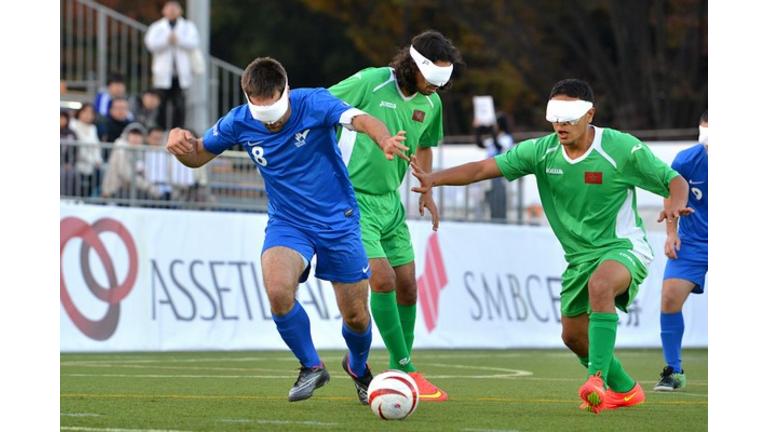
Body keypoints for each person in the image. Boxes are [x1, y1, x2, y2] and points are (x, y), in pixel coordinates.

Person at [410, 78, 693, 414]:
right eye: (554, 116)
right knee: (573, 337)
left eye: (569, 116)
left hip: (623, 247)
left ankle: (597, 379)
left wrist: (675, 202)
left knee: (600, 285)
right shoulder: (541, 151)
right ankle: (627, 390)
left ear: (590, 115)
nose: (560, 124)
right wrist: (433, 179)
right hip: (579, 258)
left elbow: (673, 180)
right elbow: (484, 167)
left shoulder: (620, 148)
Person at [165, 57, 410, 404]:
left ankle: (357, 366)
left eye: (276, 110)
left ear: (286, 90)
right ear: (248, 98)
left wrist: (384, 139)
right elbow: (197, 155)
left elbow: (360, 119)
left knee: (356, 316)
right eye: (261, 113)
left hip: (338, 221)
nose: (272, 121)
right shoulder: (238, 121)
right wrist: (178, 142)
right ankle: (311, 366)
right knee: (278, 290)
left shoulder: (314, 102)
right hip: (288, 223)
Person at [327, 30, 463, 402]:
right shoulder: (371, 82)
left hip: (391, 204)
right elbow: (320, 106)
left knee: (408, 285)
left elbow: (424, 146)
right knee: (383, 279)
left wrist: (427, 187)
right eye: (432, 79)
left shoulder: (431, 104)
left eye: (443, 81)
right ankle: (404, 369)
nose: (437, 88)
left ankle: (396, 365)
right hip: (351, 200)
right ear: (412, 65)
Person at [654, 110, 708, 392]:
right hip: (693, 244)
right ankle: (673, 372)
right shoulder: (686, 160)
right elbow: (671, 191)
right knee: (669, 298)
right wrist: (672, 233)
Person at [144, 1, 200, 129]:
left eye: (174, 9)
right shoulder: (157, 27)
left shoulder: (188, 26)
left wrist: (178, 40)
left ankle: (177, 130)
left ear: (180, 11)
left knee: (179, 105)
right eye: (169, 9)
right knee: (161, 104)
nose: (171, 11)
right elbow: (150, 43)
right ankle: (159, 130)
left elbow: (194, 43)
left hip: (180, 74)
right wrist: (166, 40)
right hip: (163, 73)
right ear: (164, 11)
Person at [101, 122, 158, 201]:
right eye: (133, 134)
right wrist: (148, 186)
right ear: (127, 135)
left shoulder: (139, 150)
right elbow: (126, 173)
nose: (135, 138)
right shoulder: (121, 147)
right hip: (114, 190)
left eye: (138, 135)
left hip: (130, 190)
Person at [70, 103, 104, 197]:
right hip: (77, 164)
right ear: (80, 112)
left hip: (92, 166)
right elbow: (77, 146)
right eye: (85, 112)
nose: (88, 115)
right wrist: (90, 160)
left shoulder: (93, 128)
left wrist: (98, 160)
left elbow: (96, 146)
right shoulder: (73, 125)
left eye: (91, 113)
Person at [60, 110, 78, 196]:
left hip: (67, 164)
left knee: (69, 174)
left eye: (63, 118)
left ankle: (66, 196)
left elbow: (74, 150)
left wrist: (69, 163)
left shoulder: (72, 133)